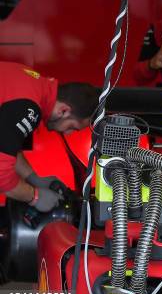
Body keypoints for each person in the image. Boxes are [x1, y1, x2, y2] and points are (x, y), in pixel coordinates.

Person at [0, 62, 98, 212]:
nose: (68, 133)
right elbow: (1, 176)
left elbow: (6, 146)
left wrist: (33, 178)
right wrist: (34, 196)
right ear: (63, 111)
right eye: (72, 127)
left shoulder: (34, 83)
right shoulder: (28, 108)